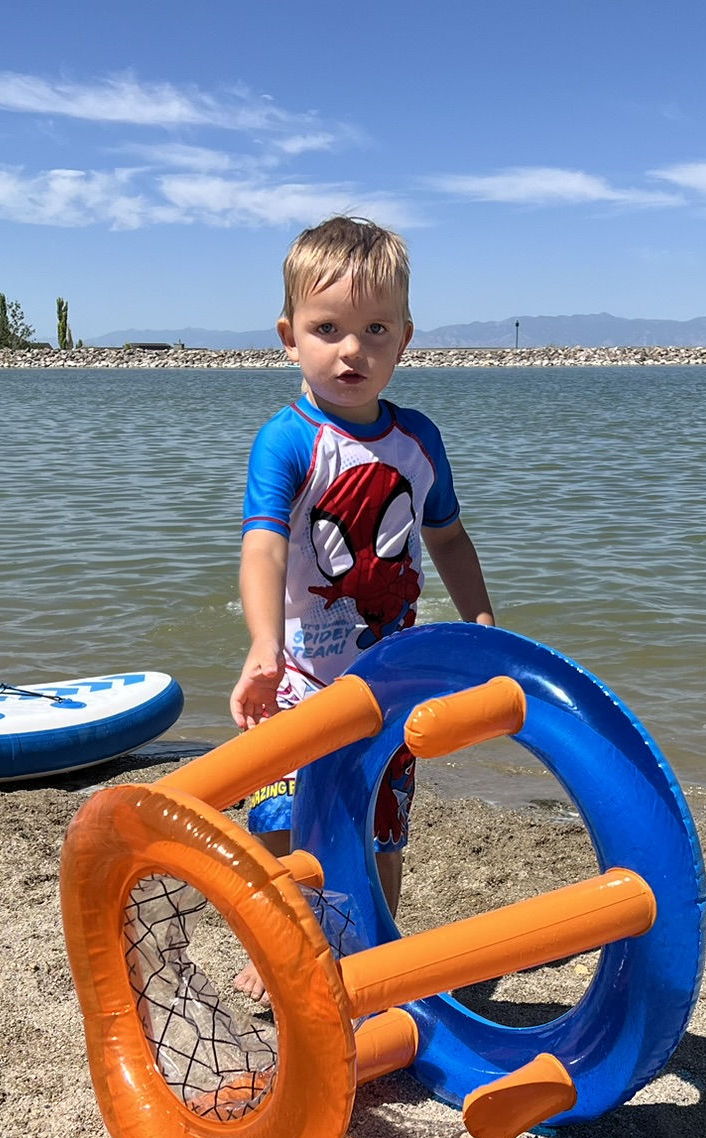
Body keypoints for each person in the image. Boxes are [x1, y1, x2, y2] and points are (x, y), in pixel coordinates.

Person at [232, 214, 496, 929]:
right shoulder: (288, 441)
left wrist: (480, 627)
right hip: (294, 682)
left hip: (388, 687)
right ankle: (288, 951)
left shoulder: (418, 441)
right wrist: (262, 646)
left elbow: (448, 537)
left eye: (376, 330)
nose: (352, 351)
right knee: (283, 824)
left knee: (380, 832)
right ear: (289, 336)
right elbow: (263, 546)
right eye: (328, 330)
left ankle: (374, 949)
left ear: (405, 337)